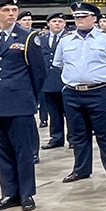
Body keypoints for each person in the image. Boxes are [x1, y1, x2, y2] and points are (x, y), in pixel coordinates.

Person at [0, 0, 43, 211]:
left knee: (23, 151)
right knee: (1, 152)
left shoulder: (28, 37)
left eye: (14, 9)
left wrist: (31, 100)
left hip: (20, 102)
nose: (11, 13)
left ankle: (26, 194)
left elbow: (38, 73)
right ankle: (8, 193)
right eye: (6, 10)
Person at [55, 3, 106, 183]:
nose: (79, 19)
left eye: (83, 16)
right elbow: (60, 64)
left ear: (94, 18)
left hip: (100, 90)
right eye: (77, 17)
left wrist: (103, 75)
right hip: (72, 92)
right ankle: (81, 169)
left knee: (105, 132)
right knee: (78, 134)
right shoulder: (65, 40)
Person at [39, 13, 68, 150]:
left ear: (65, 24)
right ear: (48, 24)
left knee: (70, 112)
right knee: (54, 112)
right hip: (48, 81)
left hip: (66, 80)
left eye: (60, 21)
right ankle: (56, 137)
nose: (57, 23)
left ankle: (73, 138)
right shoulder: (41, 39)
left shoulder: (69, 38)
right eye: (54, 21)